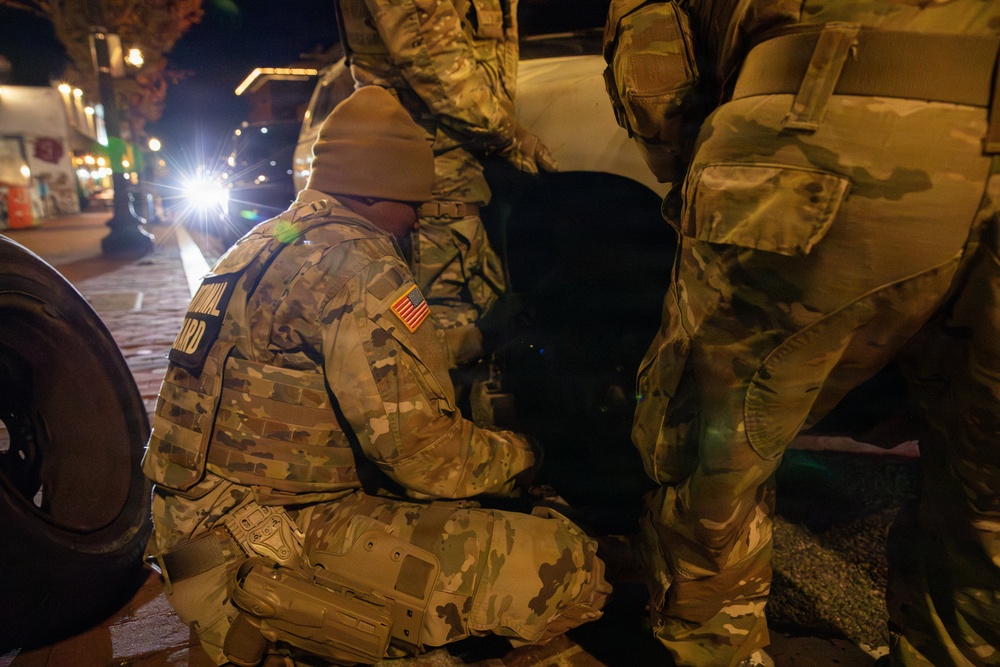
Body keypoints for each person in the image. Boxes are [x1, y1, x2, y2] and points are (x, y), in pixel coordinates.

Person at [142, 86, 609, 666]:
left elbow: (346, 354)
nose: (416, 219)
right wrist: (533, 453)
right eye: (411, 202)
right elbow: (428, 461)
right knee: (560, 560)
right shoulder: (359, 262)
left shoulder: (267, 240)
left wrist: (478, 339)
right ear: (368, 189)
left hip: (192, 538)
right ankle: (293, 635)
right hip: (257, 554)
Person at [603, 1, 1000, 665]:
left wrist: (697, 170)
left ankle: (717, 650)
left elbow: (655, 80)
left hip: (825, 117)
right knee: (988, 495)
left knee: (713, 456)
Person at [334, 0, 556, 367]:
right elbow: (433, 61)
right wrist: (510, 136)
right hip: (429, 178)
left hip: (465, 164)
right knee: (443, 331)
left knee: (480, 326)